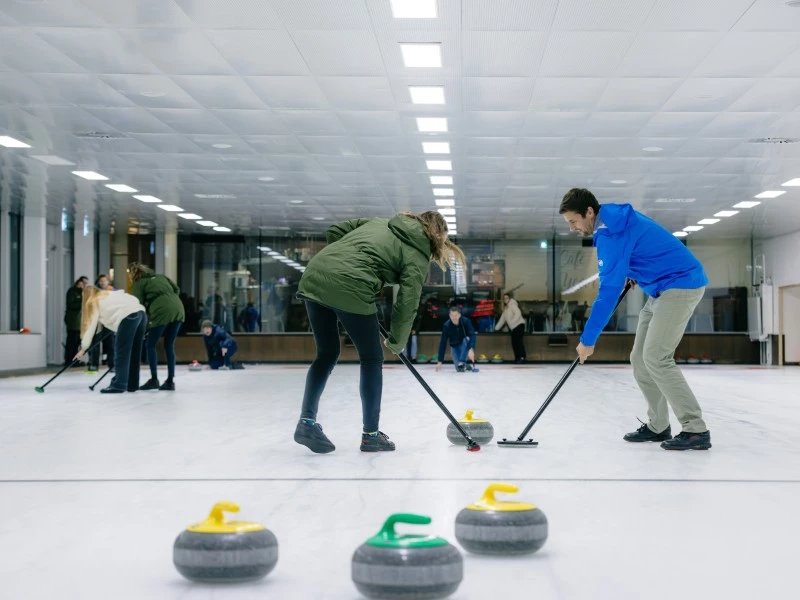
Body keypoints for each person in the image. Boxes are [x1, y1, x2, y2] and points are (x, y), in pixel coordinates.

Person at [294, 211, 466, 454]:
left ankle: (306, 423)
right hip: (353, 284)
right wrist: (396, 341)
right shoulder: (417, 253)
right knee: (372, 358)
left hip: (315, 275)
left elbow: (334, 230)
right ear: (435, 235)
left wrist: (343, 259)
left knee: (327, 353)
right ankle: (371, 436)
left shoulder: (378, 222)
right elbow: (407, 302)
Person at [559, 188, 711, 451]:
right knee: (640, 359)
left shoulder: (611, 233)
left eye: (573, 221)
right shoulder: (614, 220)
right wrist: (632, 269)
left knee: (656, 357)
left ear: (589, 212)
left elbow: (607, 293)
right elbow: (640, 249)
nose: (572, 228)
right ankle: (658, 425)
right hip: (659, 288)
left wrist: (588, 339)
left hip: (681, 283)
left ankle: (695, 429)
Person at [74, 287, 147, 394]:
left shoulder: (92, 301)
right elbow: (132, 299)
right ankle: (132, 384)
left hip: (128, 318)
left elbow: (90, 327)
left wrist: (83, 347)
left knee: (121, 353)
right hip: (141, 314)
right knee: (134, 353)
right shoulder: (109, 294)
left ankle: (119, 385)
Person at [129, 264, 185, 391]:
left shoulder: (139, 283)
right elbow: (176, 289)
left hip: (161, 310)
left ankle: (154, 379)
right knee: (169, 345)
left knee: (150, 344)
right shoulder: (161, 277)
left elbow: (137, 303)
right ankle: (170, 381)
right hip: (178, 308)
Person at [436, 305, 478, 372]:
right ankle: (465, 365)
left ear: (459, 315)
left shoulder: (466, 321)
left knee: (466, 339)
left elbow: (472, 335)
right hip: (454, 347)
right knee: (459, 368)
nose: (454, 317)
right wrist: (440, 361)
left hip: (464, 345)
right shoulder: (446, 325)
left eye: (456, 315)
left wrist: (471, 348)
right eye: (452, 315)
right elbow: (443, 343)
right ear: (449, 315)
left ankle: (462, 362)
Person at [87, 274, 116, 372]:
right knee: (95, 343)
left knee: (111, 344)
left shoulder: (114, 292)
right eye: (101, 281)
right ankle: (94, 364)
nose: (103, 282)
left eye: (105, 280)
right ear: (98, 282)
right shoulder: (95, 292)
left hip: (110, 321)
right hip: (98, 321)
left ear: (108, 281)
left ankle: (112, 365)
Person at [495, 292, 527, 363]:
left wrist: (512, 322)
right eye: (504, 298)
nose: (505, 300)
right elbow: (502, 320)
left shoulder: (513, 305)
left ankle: (522, 358)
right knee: (514, 342)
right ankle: (517, 358)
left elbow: (518, 313)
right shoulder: (506, 309)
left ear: (510, 298)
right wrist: (496, 328)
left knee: (518, 342)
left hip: (519, 325)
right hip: (513, 328)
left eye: (507, 298)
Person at [64, 276, 88, 366]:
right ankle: (70, 361)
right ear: (79, 283)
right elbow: (72, 305)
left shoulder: (81, 292)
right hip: (73, 322)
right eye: (84, 283)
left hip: (79, 322)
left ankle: (75, 361)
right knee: (72, 342)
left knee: (77, 342)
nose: (85, 285)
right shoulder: (73, 292)